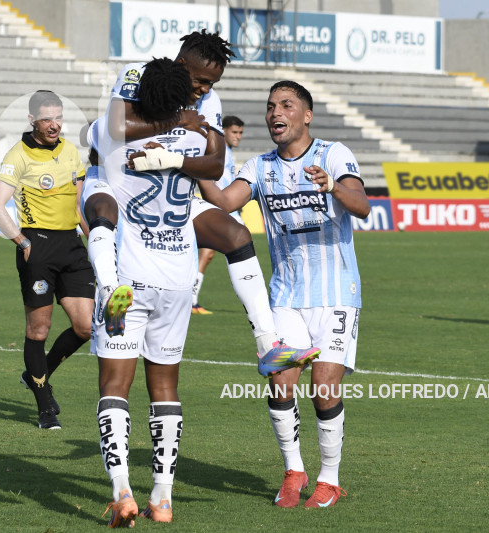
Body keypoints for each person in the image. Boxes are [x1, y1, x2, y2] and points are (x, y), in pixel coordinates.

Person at [81, 29, 319, 377]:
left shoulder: (210, 102)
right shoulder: (136, 74)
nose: (205, 89)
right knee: (104, 210)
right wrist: (179, 120)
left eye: (213, 82)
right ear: (181, 65)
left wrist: (174, 160)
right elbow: (117, 127)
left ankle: (269, 344)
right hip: (116, 181)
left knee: (235, 234)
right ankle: (109, 293)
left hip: (169, 194)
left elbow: (215, 163)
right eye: (201, 80)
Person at [198, 81, 370, 509]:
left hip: (336, 294)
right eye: (271, 106)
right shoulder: (259, 167)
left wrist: (332, 186)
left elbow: (362, 206)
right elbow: (222, 201)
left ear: (306, 115)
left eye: (286, 105)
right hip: (285, 295)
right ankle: (294, 471)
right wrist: (192, 166)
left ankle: (329, 480)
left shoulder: (333, 154)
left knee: (324, 386)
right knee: (279, 382)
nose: (276, 112)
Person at [88, 57, 206, 526]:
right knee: (166, 389)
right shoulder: (197, 138)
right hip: (179, 278)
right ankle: (163, 497)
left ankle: (122, 492)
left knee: (115, 387)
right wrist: (183, 120)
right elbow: (213, 162)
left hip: (130, 276)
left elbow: (96, 135)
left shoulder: (111, 134)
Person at [0, 90, 94, 430]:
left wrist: (96, 238)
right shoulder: (18, 156)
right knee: (39, 328)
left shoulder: (72, 152)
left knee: (86, 327)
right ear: (32, 119)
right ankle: (45, 406)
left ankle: (36, 374)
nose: (55, 125)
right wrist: (21, 240)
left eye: (59, 118)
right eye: (48, 119)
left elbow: (77, 207)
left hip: (72, 247)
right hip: (39, 247)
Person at [192, 115, 245, 314]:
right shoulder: (220, 150)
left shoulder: (228, 152)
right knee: (240, 250)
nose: (238, 136)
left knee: (208, 253)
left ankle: (191, 299)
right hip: (221, 208)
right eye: (234, 132)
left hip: (228, 208)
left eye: (240, 133)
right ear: (223, 131)